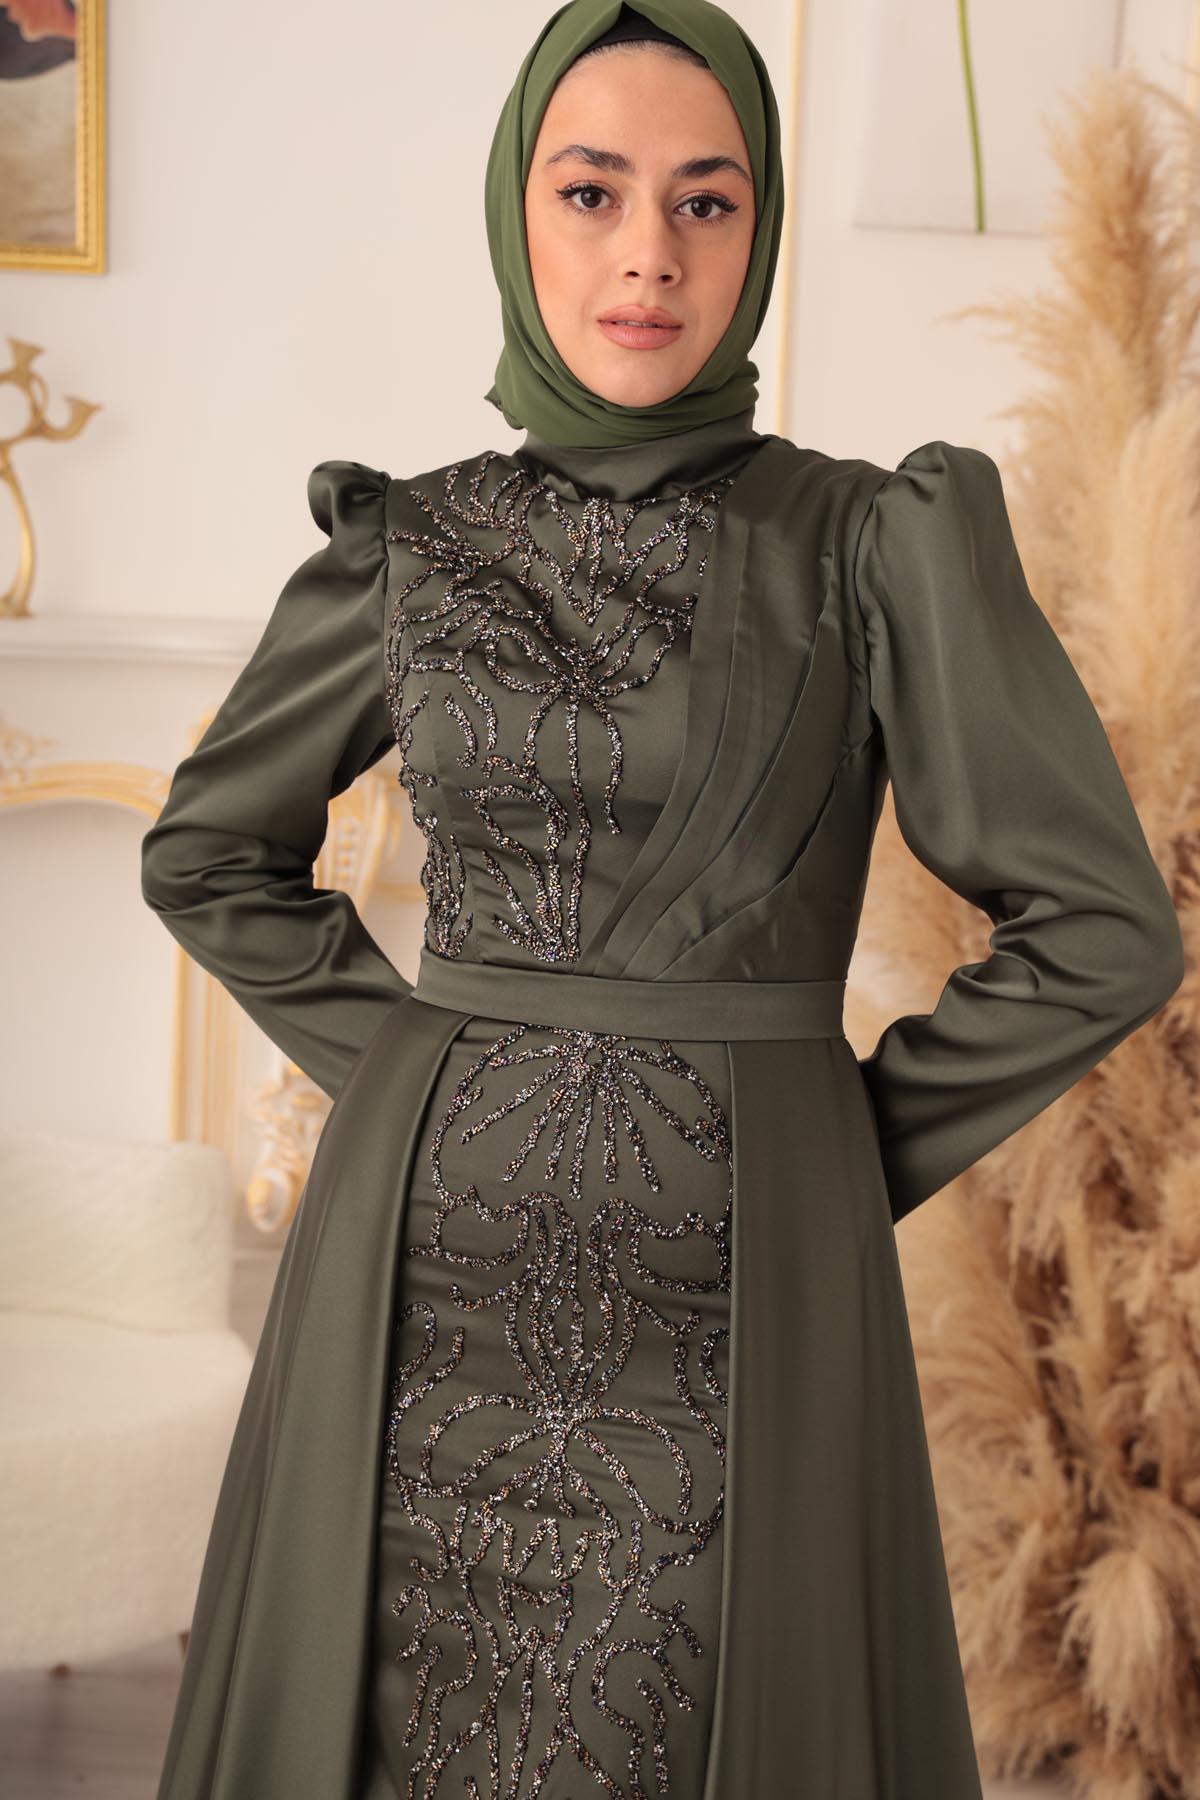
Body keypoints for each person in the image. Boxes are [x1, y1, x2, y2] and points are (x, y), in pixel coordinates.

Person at [139, 1, 1185, 1795]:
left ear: (758, 232)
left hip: (736, 1299)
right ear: (515, 214)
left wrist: (833, 1142)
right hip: (417, 1296)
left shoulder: (872, 544)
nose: (649, 255)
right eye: (592, 192)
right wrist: (416, 1073)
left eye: (707, 201)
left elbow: (1102, 925)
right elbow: (208, 852)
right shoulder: (409, 545)